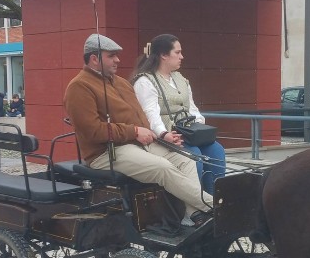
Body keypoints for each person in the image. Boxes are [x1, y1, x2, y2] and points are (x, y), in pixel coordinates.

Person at [64, 33, 211, 222]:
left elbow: (140, 116)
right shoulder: (79, 87)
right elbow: (92, 131)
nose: (118, 60)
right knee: (163, 167)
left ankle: (195, 216)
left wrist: (155, 134)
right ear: (94, 59)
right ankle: (214, 206)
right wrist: (134, 131)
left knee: (186, 159)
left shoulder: (121, 83)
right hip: (107, 152)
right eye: (111, 56)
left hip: (138, 144)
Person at [133, 34, 226, 194]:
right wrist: (164, 134)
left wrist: (200, 128)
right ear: (163, 55)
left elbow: (192, 108)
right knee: (195, 157)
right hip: (166, 137)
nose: (181, 57)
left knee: (216, 151)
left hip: (189, 133)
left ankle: (214, 199)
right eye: (177, 52)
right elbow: (150, 114)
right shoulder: (145, 82)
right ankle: (193, 204)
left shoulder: (180, 78)